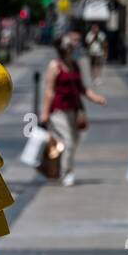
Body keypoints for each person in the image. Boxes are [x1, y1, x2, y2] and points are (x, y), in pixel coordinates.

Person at [39, 34, 106, 186]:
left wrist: (96, 98)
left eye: (72, 47)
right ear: (62, 49)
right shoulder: (54, 66)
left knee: (74, 140)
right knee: (68, 141)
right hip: (58, 110)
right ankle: (66, 173)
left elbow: (82, 88)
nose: (71, 49)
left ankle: (62, 169)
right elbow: (49, 91)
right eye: (69, 47)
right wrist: (44, 112)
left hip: (73, 109)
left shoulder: (75, 65)